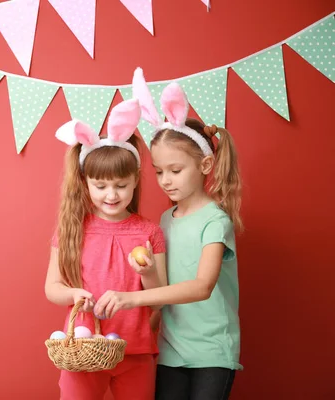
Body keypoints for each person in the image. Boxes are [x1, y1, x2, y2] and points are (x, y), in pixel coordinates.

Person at [95, 68, 243, 400]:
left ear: (205, 166)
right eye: (159, 171)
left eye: (175, 171)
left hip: (212, 349)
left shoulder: (214, 221)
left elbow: (202, 286)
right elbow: (161, 287)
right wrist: (142, 326)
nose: (165, 180)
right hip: (171, 348)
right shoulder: (164, 219)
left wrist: (129, 298)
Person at [45, 98, 167, 400]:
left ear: (135, 181)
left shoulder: (149, 232)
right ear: (85, 182)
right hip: (83, 349)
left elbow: (160, 298)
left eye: (121, 185)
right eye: (100, 186)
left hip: (135, 351)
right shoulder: (73, 229)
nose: (111, 195)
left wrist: (149, 272)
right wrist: (74, 294)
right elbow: (52, 287)